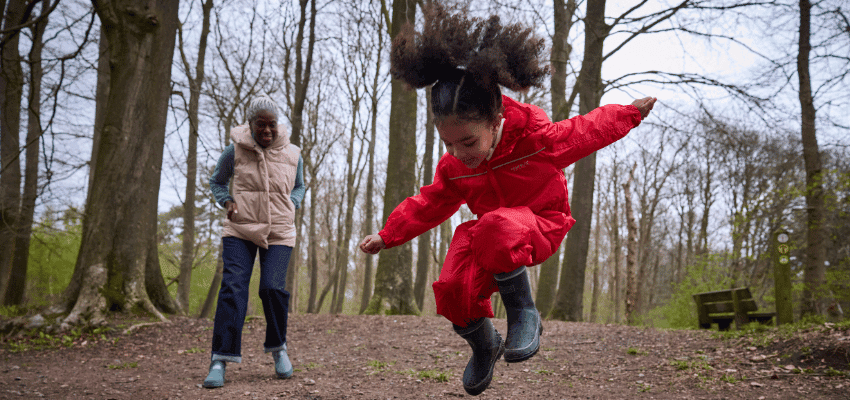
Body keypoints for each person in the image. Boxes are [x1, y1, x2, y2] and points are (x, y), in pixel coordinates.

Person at [359, 6, 656, 396]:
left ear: (497, 119)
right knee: (451, 287)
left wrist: (629, 114)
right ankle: (485, 344)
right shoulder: (454, 167)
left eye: (468, 142)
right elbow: (430, 202)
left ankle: (523, 312)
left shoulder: (537, 140)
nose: (459, 152)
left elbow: (586, 130)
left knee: (497, 225)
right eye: (448, 143)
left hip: (539, 224)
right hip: (490, 236)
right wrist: (389, 234)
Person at [202, 94, 306, 389]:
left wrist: (293, 204)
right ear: (250, 125)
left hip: (279, 230)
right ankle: (220, 359)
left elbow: (299, 186)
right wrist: (226, 200)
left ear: (278, 124)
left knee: (272, 288)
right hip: (241, 228)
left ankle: (278, 348)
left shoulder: (292, 153)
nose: (267, 131)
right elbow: (216, 180)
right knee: (233, 287)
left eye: (272, 125)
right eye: (261, 125)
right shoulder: (234, 151)